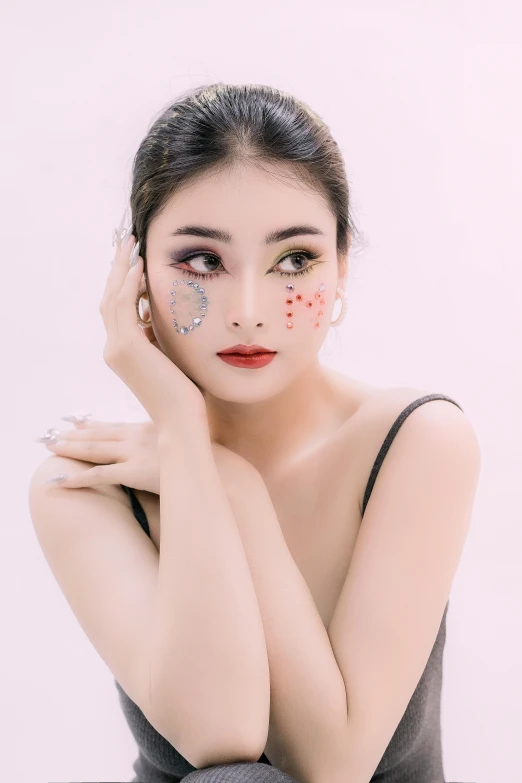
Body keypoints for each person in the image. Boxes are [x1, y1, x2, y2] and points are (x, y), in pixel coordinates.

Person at [30, 83, 480, 783]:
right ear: (135, 272)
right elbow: (222, 733)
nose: (247, 311)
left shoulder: (419, 441)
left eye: (294, 260)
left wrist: (226, 484)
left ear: (340, 270)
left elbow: (334, 765)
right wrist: (188, 442)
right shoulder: (84, 486)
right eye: (202, 261)